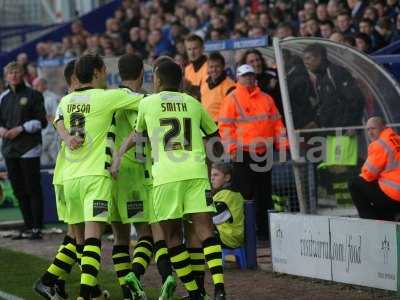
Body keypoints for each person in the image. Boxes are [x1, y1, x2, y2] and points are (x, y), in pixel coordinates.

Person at [111, 61, 226, 300]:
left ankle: (194, 293)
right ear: (181, 81)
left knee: (172, 238)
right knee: (205, 231)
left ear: (157, 80)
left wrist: (119, 154)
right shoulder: (194, 103)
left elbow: (137, 135)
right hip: (195, 173)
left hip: (165, 177)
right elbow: (215, 137)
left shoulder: (148, 103)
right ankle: (219, 288)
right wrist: (212, 164)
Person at [54, 53, 143, 300]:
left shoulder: (66, 100)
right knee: (93, 240)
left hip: (70, 178)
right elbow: (144, 101)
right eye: (104, 70)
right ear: (96, 72)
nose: (107, 74)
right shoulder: (107, 97)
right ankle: (80, 294)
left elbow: (58, 120)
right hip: (95, 176)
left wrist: (66, 137)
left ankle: (83, 292)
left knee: (79, 240)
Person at [110, 53, 175, 300]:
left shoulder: (109, 99)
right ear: (142, 74)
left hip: (113, 177)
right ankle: (141, 278)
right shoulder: (146, 100)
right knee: (147, 233)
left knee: (120, 237)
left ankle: (128, 292)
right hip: (139, 174)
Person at [218, 64, 288, 241]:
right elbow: (226, 127)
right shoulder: (232, 99)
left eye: (250, 75)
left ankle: (264, 233)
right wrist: (232, 149)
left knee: (264, 194)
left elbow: (277, 124)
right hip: (242, 153)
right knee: (245, 194)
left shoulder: (266, 98)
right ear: (238, 78)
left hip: (264, 152)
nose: (248, 78)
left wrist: (283, 145)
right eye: (245, 76)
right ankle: (247, 233)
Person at [0, 62, 47, 240]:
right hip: (9, 149)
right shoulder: (3, 97)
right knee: (19, 190)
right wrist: (2, 130)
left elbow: (41, 121)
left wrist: (21, 128)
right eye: (10, 72)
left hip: (29, 148)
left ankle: (37, 227)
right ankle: (28, 226)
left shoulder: (34, 95)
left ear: (22, 74)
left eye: (17, 71)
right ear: (6, 76)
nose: (13, 75)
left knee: (32, 188)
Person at [349, 117, 400, 221]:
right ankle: (389, 217)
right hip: (395, 194)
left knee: (353, 183)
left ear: (383, 127)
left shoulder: (380, 144)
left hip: (394, 195)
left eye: (373, 128)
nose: (370, 132)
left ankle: (369, 222)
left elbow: (368, 174)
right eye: (368, 129)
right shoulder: (397, 139)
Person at [302, 43, 365, 128]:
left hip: (345, 130)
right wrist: (317, 121)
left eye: (308, 58)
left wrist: (353, 124)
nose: (306, 62)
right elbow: (325, 105)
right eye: (304, 59)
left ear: (319, 57)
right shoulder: (319, 77)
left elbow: (356, 99)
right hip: (331, 130)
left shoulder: (336, 73)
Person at [211, 162, 244, 249]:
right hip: (233, 236)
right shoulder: (232, 193)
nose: (212, 178)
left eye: (216, 175)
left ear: (227, 177)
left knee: (195, 232)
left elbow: (216, 219)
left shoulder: (226, 195)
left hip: (228, 238)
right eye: (211, 175)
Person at [200, 51, 235, 122]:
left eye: (217, 66)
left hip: (220, 127)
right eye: (211, 67)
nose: (214, 70)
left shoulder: (230, 86)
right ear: (207, 68)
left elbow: (231, 113)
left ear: (223, 66)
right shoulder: (204, 82)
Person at [32, 77, 60, 166]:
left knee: (56, 159)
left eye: (37, 86)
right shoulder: (34, 97)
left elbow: (57, 117)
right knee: (43, 160)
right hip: (40, 134)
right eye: (34, 86)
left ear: (45, 85)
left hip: (51, 134)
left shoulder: (52, 98)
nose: (35, 88)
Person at [184, 34, 208, 98]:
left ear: (202, 48)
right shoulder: (187, 69)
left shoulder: (210, 67)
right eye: (189, 49)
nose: (192, 53)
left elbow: (206, 92)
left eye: (195, 48)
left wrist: (189, 87)